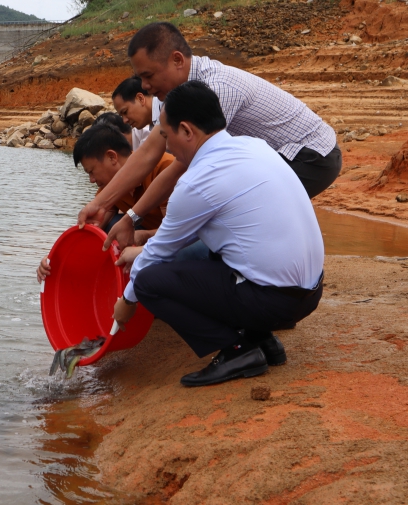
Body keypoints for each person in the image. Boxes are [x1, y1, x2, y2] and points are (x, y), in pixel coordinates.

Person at [111, 81, 324, 387]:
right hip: (310, 291)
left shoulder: (196, 182)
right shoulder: (253, 146)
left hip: (275, 302)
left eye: (165, 134)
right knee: (215, 250)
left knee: (148, 282)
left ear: (186, 131)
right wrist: (147, 239)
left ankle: (237, 351)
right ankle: (262, 339)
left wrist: (126, 302)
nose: (166, 145)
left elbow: (159, 255)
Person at [78, 21, 341, 252]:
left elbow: (181, 166)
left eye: (148, 76)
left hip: (309, 154)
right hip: (276, 156)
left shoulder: (214, 89)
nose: (144, 86)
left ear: (178, 60)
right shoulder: (181, 97)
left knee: (223, 213)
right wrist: (99, 204)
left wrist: (132, 216)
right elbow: (148, 153)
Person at [36, 123, 175, 282]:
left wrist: (144, 236)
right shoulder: (109, 188)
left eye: (92, 172)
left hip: (183, 241)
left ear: (112, 157)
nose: (91, 180)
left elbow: (180, 232)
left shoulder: (164, 168)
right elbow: (91, 232)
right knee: (110, 228)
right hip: (150, 240)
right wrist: (56, 257)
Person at [111, 77, 162, 150]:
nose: (124, 120)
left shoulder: (167, 111)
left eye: (125, 112)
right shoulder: (154, 123)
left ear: (140, 98)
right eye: (121, 116)